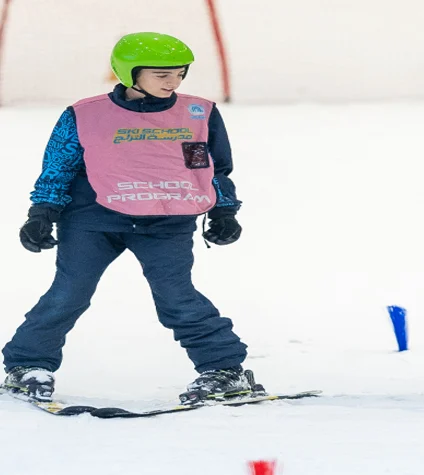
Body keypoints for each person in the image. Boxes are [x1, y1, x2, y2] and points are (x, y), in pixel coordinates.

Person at [2, 32, 253, 405]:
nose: (174, 82)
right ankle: (27, 366)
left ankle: (224, 370)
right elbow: (59, 167)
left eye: (180, 74)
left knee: (177, 297)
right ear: (128, 72)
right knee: (69, 294)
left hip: (166, 221)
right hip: (92, 220)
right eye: (161, 74)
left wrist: (223, 210)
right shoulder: (86, 114)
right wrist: (42, 213)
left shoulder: (197, 113)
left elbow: (210, 166)